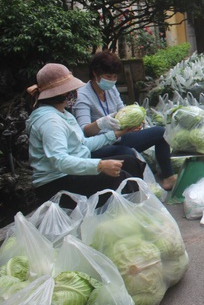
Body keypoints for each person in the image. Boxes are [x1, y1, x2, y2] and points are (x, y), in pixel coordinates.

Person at [26, 63, 145, 206]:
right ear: (58, 94)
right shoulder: (50, 120)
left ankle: (134, 210)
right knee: (118, 177)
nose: (74, 93)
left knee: (130, 162)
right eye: (70, 90)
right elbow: (59, 161)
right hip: (55, 183)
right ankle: (125, 214)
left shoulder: (63, 114)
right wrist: (100, 165)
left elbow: (83, 144)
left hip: (72, 173)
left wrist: (118, 133)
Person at [72, 51, 177, 191]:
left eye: (115, 77)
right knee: (128, 153)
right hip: (99, 145)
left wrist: (134, 121)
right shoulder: (82, 96)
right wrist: (101, 123)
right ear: (95, 74)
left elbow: (122, 110)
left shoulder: (110, 89)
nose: (111, 80)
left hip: (119, 136)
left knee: (161, 132)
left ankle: (168, 176)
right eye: (108, 76)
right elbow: (84, 130)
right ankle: (137, 190)